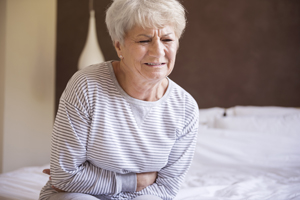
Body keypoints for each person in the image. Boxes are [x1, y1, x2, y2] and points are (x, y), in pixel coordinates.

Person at [39, 0, 199, 199]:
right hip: (78, 194)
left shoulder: (185, 108)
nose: (158, 51)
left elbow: (166, 188)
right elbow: (65, 178)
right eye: (144, 40)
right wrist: (136, 181)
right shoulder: (86, 86)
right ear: (119, 46)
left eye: (167, 40)